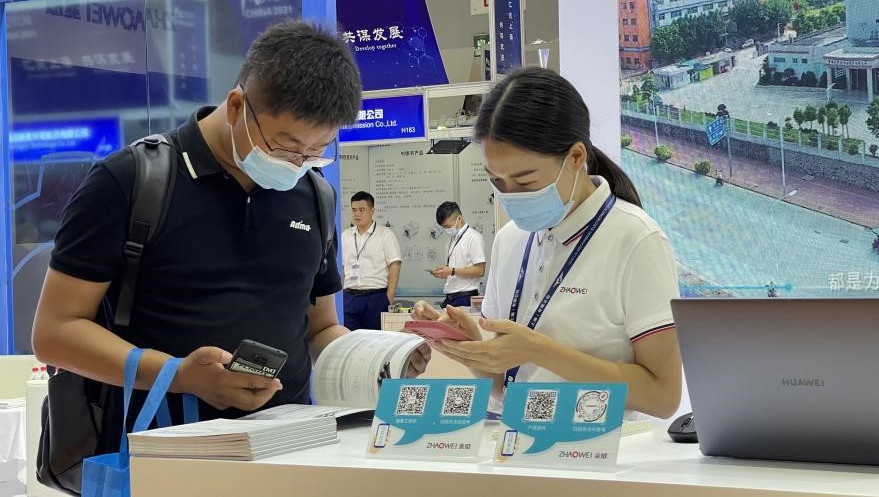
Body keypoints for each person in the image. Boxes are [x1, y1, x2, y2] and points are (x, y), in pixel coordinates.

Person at [32, 22, 428, 432]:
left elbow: (321, 328)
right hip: (156, 449)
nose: (297, 164)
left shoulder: (314, 196)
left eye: (316, 151)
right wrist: (179, 375)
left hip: (288, 444)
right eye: (285, 146)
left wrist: (382, 359)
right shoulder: (132, 181)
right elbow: (55, 333)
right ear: (237, 106)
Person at [412, 67, 681, 419]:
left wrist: (539, 351)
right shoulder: (509, 240)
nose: (511, 195)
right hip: (518, 443)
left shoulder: (636, 239)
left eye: (525, 182)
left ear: (576, 158)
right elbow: (505, 385)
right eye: (497, 181)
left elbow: (663, 395)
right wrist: (470, 347)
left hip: (604, 446)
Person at [342, 191, 402, 330]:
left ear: (372, 211)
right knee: (349, 339)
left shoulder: (385, 234)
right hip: (349, 297)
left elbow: (395, 264)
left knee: (375, 340)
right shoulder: (345, 236)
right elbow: (342, 267)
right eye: (354, 210)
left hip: (376, 297)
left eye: (361, 210)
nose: (357, 214)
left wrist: (389, 297)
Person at [431, 201, 486, 308]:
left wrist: (451, 271)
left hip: (465, 298)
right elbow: (454, 271)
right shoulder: (450, 241)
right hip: (450, 297)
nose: (447, 230)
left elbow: (480, 270)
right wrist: (443, 272)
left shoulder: (474, 237)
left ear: (459, 219)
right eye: (444, 227)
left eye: (448, 226)